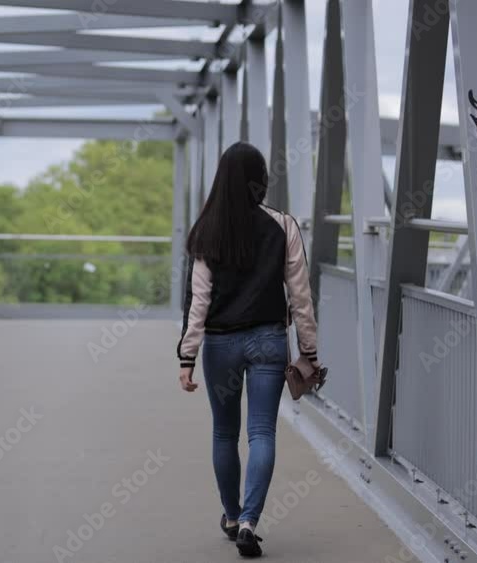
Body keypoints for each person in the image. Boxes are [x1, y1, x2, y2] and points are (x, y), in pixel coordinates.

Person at [175, 142, 320, 558]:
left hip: (220, 344)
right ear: (261, 181)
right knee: (262, 433)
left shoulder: (206, 231)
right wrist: (308, 352)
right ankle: (249, 522)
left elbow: (198, 301)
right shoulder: (283, 225)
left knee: (224, 432)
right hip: (268, 341)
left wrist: (187, 356)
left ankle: (231, 514)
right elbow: (300, 296)